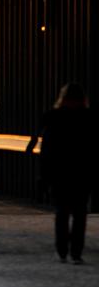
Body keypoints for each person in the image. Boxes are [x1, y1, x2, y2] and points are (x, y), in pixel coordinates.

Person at [39, 84, 94, 264]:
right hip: (81, 173)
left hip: (59, 173)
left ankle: (62, 249)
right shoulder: (89, 119)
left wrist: (44, 175)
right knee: (80, 214)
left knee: (62, 213)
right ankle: (76, 252)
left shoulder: (53, 118)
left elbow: (46, 150)